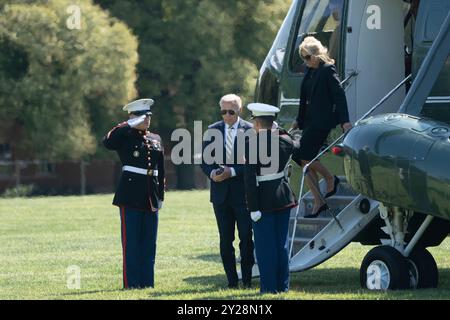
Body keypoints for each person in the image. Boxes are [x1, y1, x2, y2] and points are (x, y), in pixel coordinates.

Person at [103, 98, 165, 289]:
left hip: (150, 196)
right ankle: (131, 284)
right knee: (131, 244)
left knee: (149, 244)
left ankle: (147, 283)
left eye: (148, 116)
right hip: (130, 195)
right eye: (141, 116)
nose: (146, 119)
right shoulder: (125, 135)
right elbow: (108, 142)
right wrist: (129, 124)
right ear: (132, 117)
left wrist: (160, 195)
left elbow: (160, 169)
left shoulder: (155, 139)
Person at [291, 36, 352, 218]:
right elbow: (304, 99)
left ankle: (329, 179)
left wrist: (345, 121)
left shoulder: (327, 69)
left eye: (308, 57)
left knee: (302, 155)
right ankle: (319, 199)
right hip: (309, 122)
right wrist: (298, 120)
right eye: (303, 58)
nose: (306, 61)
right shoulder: (310, 71)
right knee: (301, 158)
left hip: (322, 122)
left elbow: (339, 96)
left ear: (316, 54)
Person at [200, 94, 255, 289]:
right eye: (223, 111)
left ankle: (247, 280)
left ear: (239, 111)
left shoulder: (250, 130)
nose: (226, 116)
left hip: (243, 195)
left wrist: (231, 171)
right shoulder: (212, 130)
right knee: (225, 239)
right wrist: (212, 174)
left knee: (247, 239)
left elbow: (254, 163)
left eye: (231, 112)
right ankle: (232, 281)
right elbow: (205, 162)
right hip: (220, 195)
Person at [244, 102, 298, 294]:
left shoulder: (250, 143)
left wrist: (253, 207)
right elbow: (290, 138)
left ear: (257, 124)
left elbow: (250, 179)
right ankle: (282, 287)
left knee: (265, 248)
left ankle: (268, 289)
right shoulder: (286, 141)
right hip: (283, 197)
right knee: (281, 245)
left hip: (262, 201)